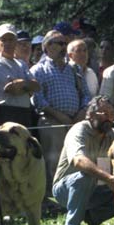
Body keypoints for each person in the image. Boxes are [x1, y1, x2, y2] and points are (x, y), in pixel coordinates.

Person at [52, 95, 114, 225]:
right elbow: (78, 161)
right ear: (90, 114)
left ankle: (91, 218)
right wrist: (109, 178)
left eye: (112, 115)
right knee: (87, 176)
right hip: (65, 188)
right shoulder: (78, 130)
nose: (109, 119)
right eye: (104, 114)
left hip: (99, 189)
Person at [31, 31, 91, 193]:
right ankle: (55, 195)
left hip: (75, 121)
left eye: (65, 43)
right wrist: (59, 115)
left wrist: (82, 111)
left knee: (76, 157)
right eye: (59, 43)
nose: (64, 47)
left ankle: (74, 192)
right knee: (54, 161)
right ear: (47, 47)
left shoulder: (74, 69)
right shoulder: (38, 70)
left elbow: (86, 94)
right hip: (51, 121)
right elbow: (38, 99)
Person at [0, 23, 40, 127]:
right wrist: (27, 86)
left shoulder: (21, 63)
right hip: (5, 113)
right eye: (4, 40)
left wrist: (21, 83)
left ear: (16, 42)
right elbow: (12, 90)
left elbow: (36, 86)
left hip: (25, 113)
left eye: (10, 40)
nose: (7, 43)